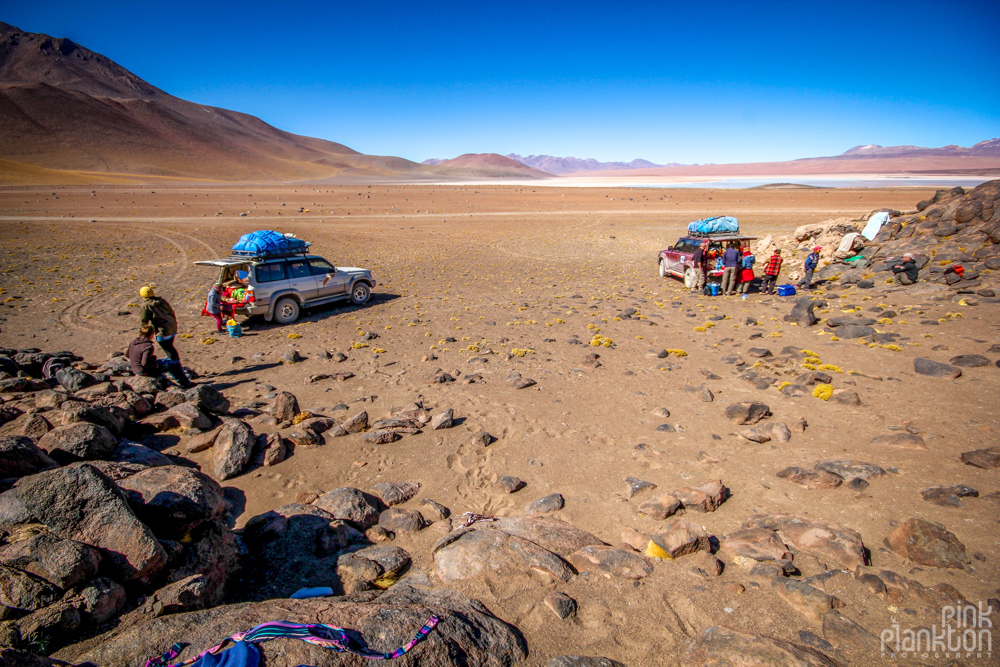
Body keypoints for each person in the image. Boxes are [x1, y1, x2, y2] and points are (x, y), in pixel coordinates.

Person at [127, 323, 192, 388]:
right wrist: (155, 365)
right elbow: (145, 363)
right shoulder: (148, 346)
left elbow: (127, 354)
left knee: (168, 360)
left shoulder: (133, 342)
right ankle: (185, 384)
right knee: (175, 364)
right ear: (152, 334)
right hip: (144, 371)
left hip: (135, 369)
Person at [138, 286, 180, 362]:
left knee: (168, 349)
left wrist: (141, 336)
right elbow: (171, 312)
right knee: (170, 347)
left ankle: (175, 365)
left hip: (162, 331)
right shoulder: (162, 301)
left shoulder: (146, 306)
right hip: (172, 327)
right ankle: (175, 363)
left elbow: (143, 322)